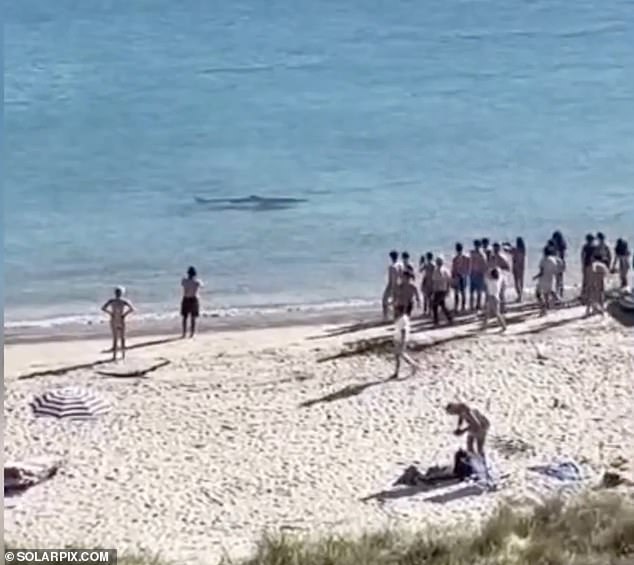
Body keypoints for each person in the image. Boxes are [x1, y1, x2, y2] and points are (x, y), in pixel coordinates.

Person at [101, 286, 134, 361]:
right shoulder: (124, 301)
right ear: (121, 293)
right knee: (122, 337)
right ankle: (123, 355)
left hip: (114, 319)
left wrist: (110, 313)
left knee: (115, 338)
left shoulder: (111, 301)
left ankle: (114, 356)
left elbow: (103, 308)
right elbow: (131, 309)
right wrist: (124, 314)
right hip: (121, 319)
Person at [391, 307, 420, 379]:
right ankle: (396, 372)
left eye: (396, 310)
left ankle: (414, 365)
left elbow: (403, 331)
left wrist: (403, 341)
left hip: (400, 340)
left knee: (402, 355)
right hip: (398, 339)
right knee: (398, 356)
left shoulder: (403, 319)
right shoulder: (402, 318)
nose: (395, 311)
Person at [534, 246, 561, 315]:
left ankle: (543, 309)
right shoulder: (553, 260)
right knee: (547, 294)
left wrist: (535, 277)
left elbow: (541, 272)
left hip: (543, 279)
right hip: (551, 278)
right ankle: (551, 304)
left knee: (538, 294)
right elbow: (556, 271)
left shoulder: (543, 260)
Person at [431, 256, 453, 326]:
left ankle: (436, 321)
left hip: (440, 290)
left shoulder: (439, 271)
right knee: (442, 305)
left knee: (435, 306)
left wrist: (448, 289)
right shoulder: (443, 270)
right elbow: (448, 281)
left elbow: (436, 282)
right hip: (441, 290)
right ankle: (450, 318)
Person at [488, 242, 511, 313]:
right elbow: (489, 266)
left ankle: (503, 308)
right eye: (494, 248)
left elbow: (508, 268)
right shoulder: (492, 257)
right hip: (494, 278)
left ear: (499, 248)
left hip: (502, 277)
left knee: (502, 293)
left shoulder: (502, 257)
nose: (495, 249)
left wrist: (500, 269)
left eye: (496, 248)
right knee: (494, 293)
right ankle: (495, 309)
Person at [586, 251, 610, 316]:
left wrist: (589, 283)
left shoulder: (593, 264)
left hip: (594, 282)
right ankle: (602, 310)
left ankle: (588, 310)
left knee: (591, 296)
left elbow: (592, 273)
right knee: (601, 296)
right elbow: (607, 274)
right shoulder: (603, 265)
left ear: (594, 258)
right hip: (601, 282)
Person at [181, 266, 203, 338]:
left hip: (186, 299)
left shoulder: (184, 281)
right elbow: (202, 285)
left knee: (185, 317)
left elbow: (182, 284)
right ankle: (192, 333)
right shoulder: (197, 282)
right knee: (193, 317)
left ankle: (184, 333)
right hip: (194, 299)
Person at [503, 237, 526, 302]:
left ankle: (519, 296)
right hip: (521, 268)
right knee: (521, 282)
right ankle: (520, 296)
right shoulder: (523, 251)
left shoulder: (516, 250)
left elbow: (508, 250)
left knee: (516, 282)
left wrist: (506, 245)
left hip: (516, 268)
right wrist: (508, 245)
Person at [382, 251, 402, 320]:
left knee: (384, 300)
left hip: (393, 286)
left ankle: (386, 317)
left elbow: (390, 280)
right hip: (400, 285)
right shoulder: (400, 265)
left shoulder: (391, 267)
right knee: (396, 302)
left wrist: (388, 287)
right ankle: (395, 316)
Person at [451, 243, 470, 313]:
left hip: (460, 276)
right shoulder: (465, 257)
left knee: (460, 293)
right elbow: (468, 268)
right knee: (461, 293)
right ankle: (460, 307)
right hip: (461, 276)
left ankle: (459, 307)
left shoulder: (456, 258)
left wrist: (453, 276)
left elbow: (453, 269)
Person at [469, 240, 487, 311]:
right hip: (473, 273)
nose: (476, 247)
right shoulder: (473, 253)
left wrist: (483, 273)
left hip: (479, 274)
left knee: (478, 291)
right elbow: (470, 263)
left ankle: (478, 305)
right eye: (475, 245)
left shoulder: (481, 254)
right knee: (472, 291)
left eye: (477, 245)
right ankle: (472, 305)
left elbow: (484, 265)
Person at [551, 231, 567, 298]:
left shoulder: (556, 247)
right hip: (562, 263)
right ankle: (560, 293)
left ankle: (558, 293)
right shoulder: (562, 246)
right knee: (560, 279)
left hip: (557, 263)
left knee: (558, 279)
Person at [420, 252, 435, 316]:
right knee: (430, 298)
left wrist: (421, 263)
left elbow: (420, 270)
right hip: (432, 282)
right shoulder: (433, 264)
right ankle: (429, 311)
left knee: (426, 298)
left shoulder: (426, 264)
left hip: (427, 282)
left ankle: (426, 311)